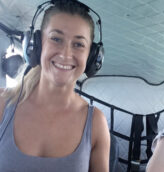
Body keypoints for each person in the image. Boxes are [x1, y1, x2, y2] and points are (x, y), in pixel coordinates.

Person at [0, 1, 110, 172]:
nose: (65, 54)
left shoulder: (96, 123)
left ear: (91, 57)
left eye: (79, 44)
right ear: (36, 44)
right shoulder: (2, 104)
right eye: (56, 39)